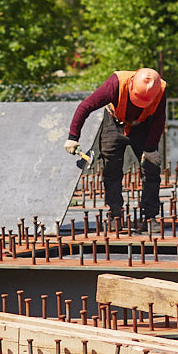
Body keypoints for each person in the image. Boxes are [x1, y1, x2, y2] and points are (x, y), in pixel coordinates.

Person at [64, 67, 167, 232]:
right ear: (132, 84)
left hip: (142, 126)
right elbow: (86, 106)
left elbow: (159, 119)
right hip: (114, 122)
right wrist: (73, 137)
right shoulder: (116, 83)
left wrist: (150, 148)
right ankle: (115, 216)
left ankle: (150, 217)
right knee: (111, 170)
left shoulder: (159, 90)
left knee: (151, 168)